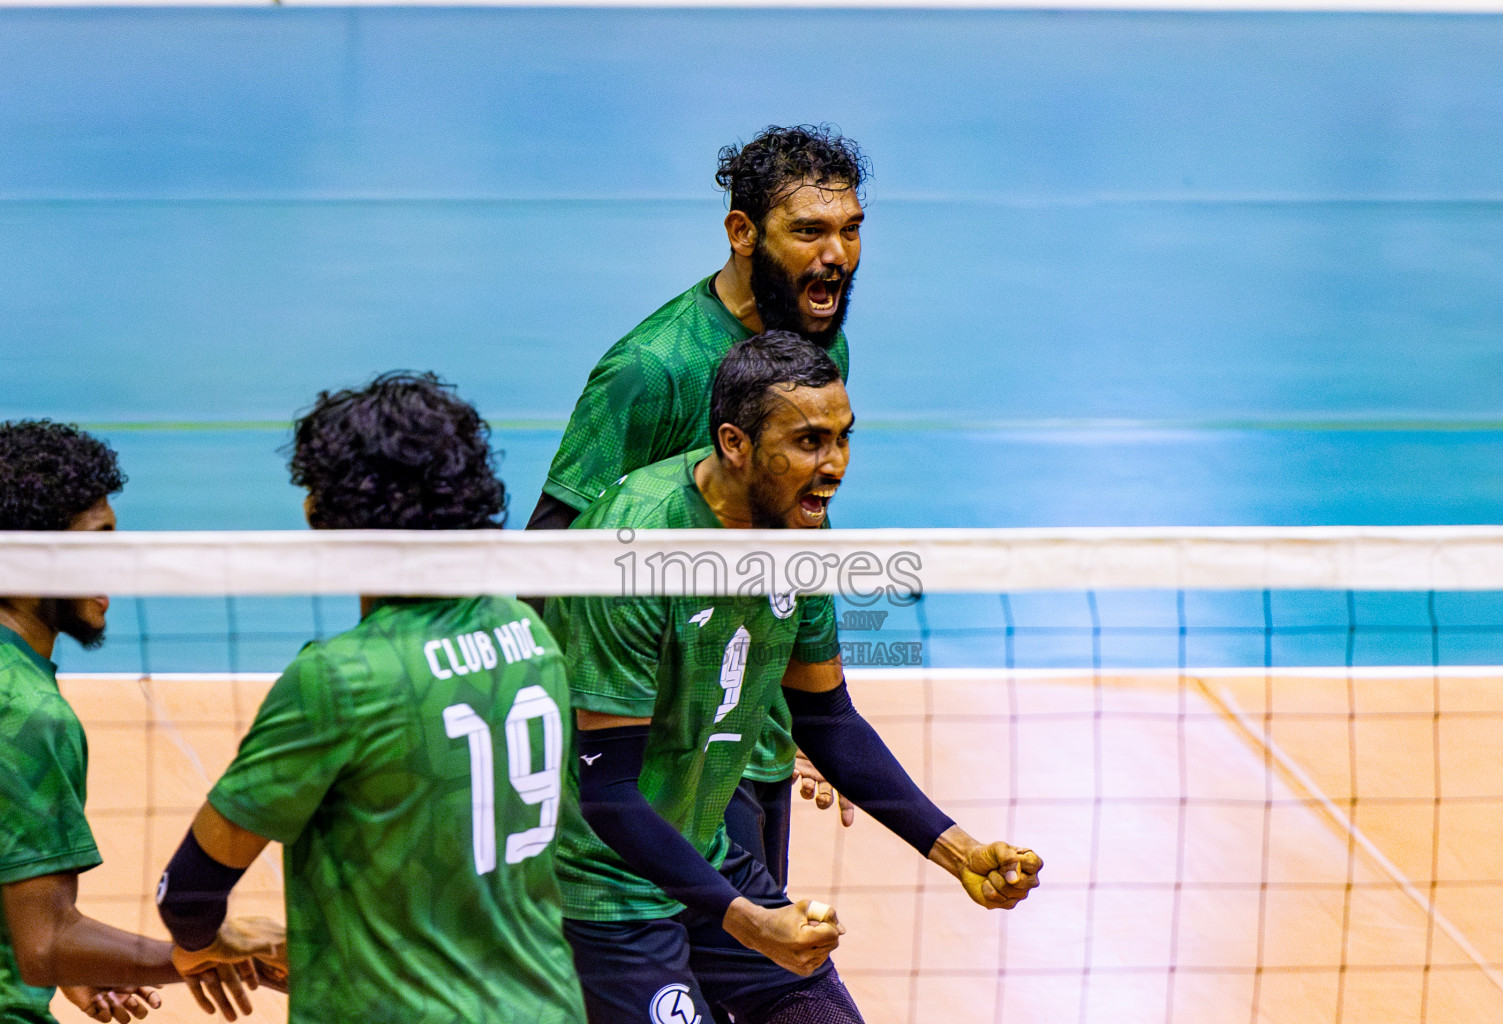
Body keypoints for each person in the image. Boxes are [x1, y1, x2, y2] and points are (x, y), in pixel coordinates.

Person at [547, 334, 1042, 1024]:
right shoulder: (634, 549)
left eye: (842, 439)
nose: (833, 466)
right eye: (809, 442)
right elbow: (608, 793)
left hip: (706, 857)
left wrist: (957, 851)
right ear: (734, 442)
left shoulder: (798, 528)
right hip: (605, 888)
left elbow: (826, 717)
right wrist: (745, 919)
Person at [154, 373, 587, 1024]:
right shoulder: (528, 633)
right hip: (544, 1003)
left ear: (323, 516)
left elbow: (188, 893)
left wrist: (200, 942)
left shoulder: (339, 680)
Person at [529, 124, 868, 888]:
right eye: (809, 231)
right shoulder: (651, 370)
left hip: (754, 736)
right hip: (647, 745)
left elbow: (792, 535)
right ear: (742, 233)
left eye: (850, 230)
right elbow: (549, 557)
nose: (836, 255)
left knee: (757, 968)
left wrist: (813, 708)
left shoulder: (818, 348)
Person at [0, 420, 262, 1024]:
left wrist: (79, 964)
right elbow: (44, 944)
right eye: (97, 541)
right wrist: (196, 954)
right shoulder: (28, 714)